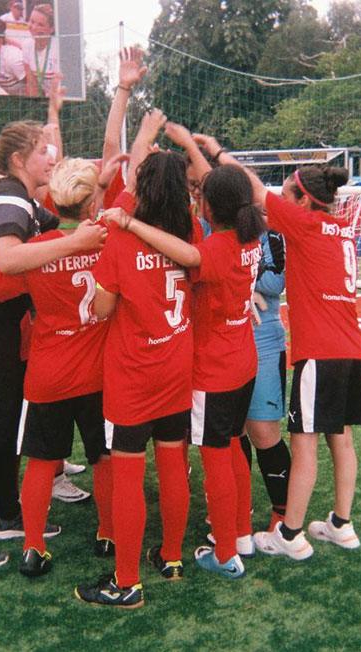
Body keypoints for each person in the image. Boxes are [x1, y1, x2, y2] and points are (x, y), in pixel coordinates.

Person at [0, 120, 107, 570]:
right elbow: (7, 263)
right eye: (43, 150)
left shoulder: (23, 196)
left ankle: (9, 514)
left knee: (6, 419)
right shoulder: (10, 193)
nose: (52, 158)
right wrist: (78, 243)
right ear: (17, 160)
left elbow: (64, 217)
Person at [200, 139, 361, 560]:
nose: (280, 200)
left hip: (320, 351)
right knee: (341, 440)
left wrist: (217, 152)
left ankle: (289, 534)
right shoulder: (342, 227)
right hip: (352, 348)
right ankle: (341, 525)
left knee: (304, 442)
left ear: (302, 201)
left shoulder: (304, 224)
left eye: (288, 194)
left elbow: (252, 187)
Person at [104, 153, 267, 581]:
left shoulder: (206, 244)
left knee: (209, 459)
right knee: (222, 449)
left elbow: (192, 260)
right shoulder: (233, 236)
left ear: (210, 206)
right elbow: (191, 256)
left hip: (201, 369)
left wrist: (131, 222)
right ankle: (225, 538)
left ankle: (225, 549)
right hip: (230, 361)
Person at [74, 111, 195, 609]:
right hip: (176, 369)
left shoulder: (123, 237)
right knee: (172, 463)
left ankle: (126, 581)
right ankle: (170, 557)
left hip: (133, 375)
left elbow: (102, 307)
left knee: (128, 472)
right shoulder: (192, 234)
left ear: (143, 189)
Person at [246, 229, 292, 533]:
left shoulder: (269, 234)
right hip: (219, 340)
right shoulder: (202, 225)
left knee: (263, 430)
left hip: (263, 340)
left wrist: (239, 276)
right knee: (231, 430)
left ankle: (283, 509)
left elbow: (277, 282)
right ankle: (238, 509)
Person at [22, 3, 60, 98]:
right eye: (32, 21)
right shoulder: (26, 45)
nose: (34, 27)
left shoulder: (58, 49)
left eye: (40, 25)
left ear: (51, 29)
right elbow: (31, 84)